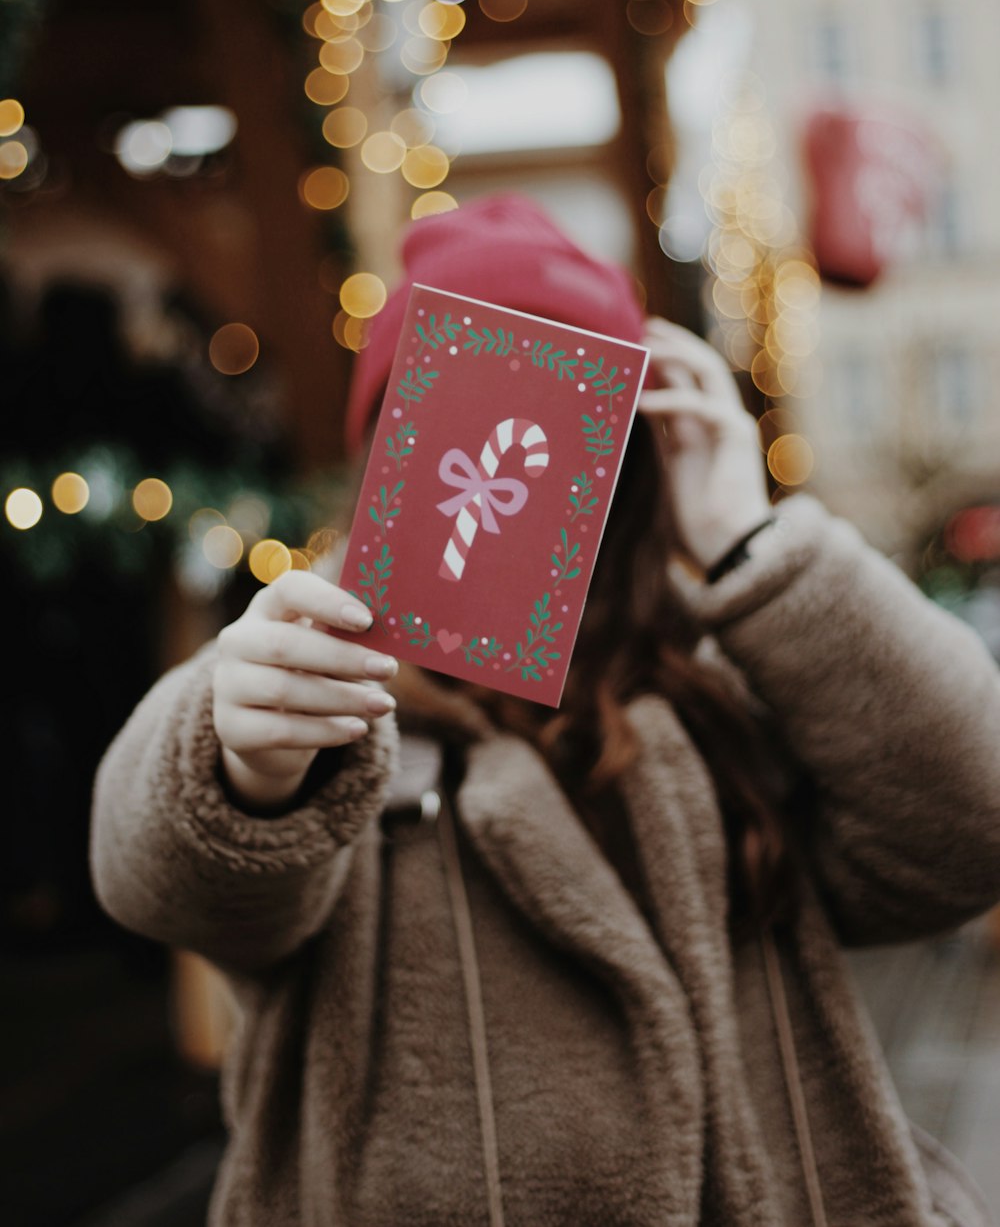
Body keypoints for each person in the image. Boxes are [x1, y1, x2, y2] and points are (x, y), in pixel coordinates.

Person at [90, 195, 1000, 1227]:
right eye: (457, 414)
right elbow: (161, 880)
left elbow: (970, 822)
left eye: (588, 425)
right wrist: (243, 769)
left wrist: (752, 544)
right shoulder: (319, 692)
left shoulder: (725, 697)